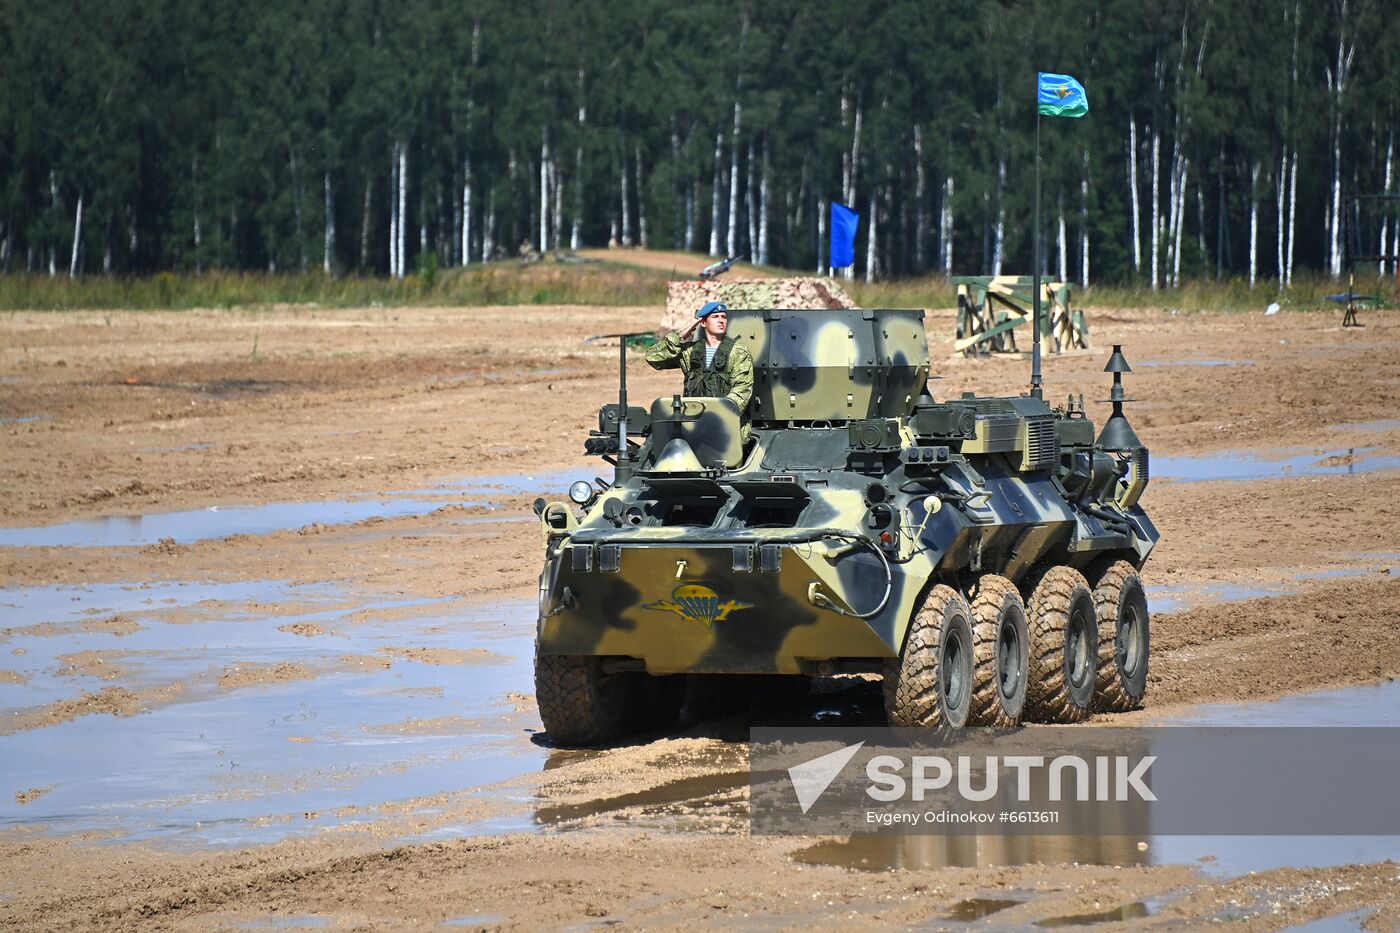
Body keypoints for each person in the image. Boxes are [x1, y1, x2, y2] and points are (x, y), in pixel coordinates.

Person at [646, 300, 754, 437]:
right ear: (702, 323)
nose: (721, 320)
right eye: (715, 317)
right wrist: (681, 335)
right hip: (693, 427)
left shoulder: (738, 352)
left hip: (727, 431)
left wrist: (716, 417)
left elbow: (741, 392)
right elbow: (652, 357)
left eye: (724, 317)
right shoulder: (690, 351)